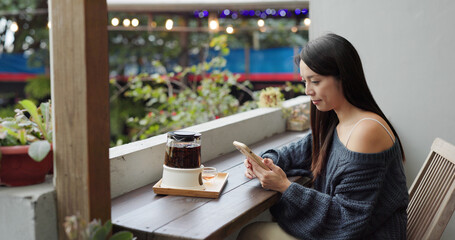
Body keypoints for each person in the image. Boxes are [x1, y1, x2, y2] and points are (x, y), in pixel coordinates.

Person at [237, 33, 408, 239]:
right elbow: (300, 151)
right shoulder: (337, 120)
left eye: (315, 81)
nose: (308, 90)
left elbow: (347, 220)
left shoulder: (366, 131)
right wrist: (266, 161)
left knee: (252, 234)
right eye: (304, 81)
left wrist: (284, 186)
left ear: (344, 77)